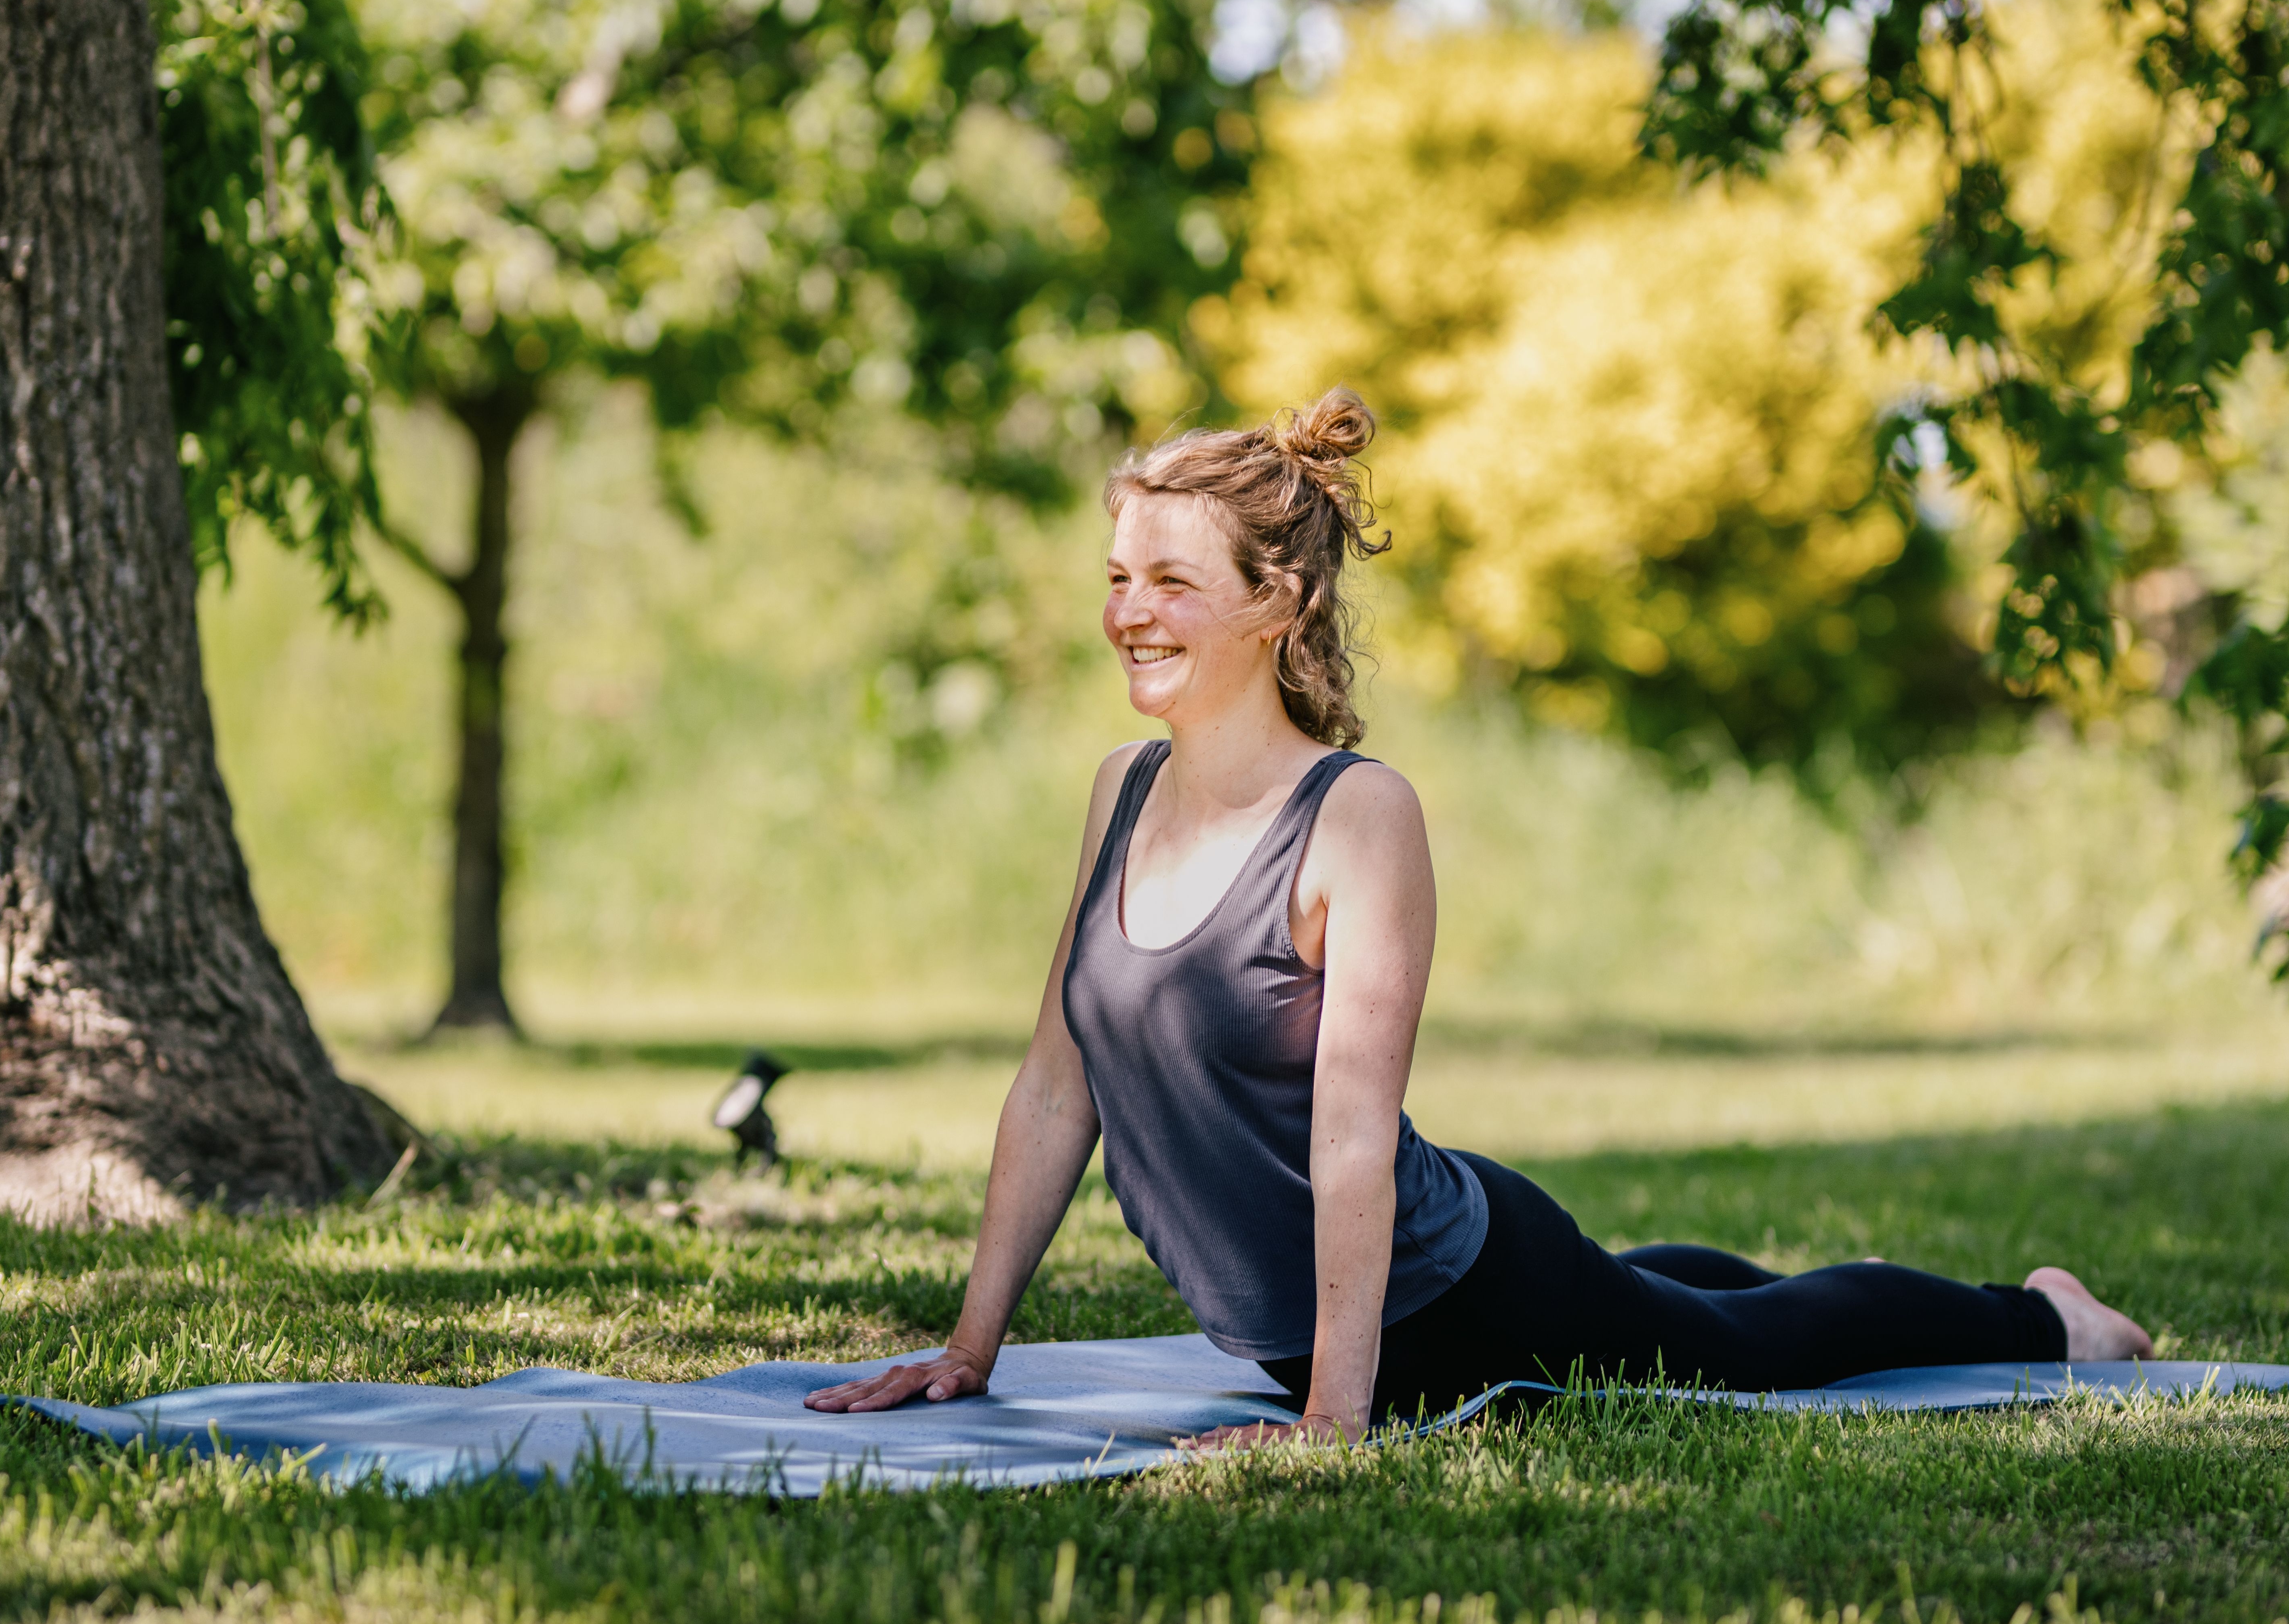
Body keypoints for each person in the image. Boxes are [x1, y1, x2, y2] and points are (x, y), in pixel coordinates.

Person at [804, 390, 2152, 1448]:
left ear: (1279, 602)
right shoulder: (1122, 790)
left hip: (1454, 1298)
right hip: (1335, 1318)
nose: (1128, 613)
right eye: (1117, 576)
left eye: (1170, 579)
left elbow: (1349, 1133)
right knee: (1658, 1298)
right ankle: (1675, 1288)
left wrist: (1333, 1421)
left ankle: (2047, 1319)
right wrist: (969, 1350)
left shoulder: (1356, 814)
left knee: (1762, 1347)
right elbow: (1058, 1086)